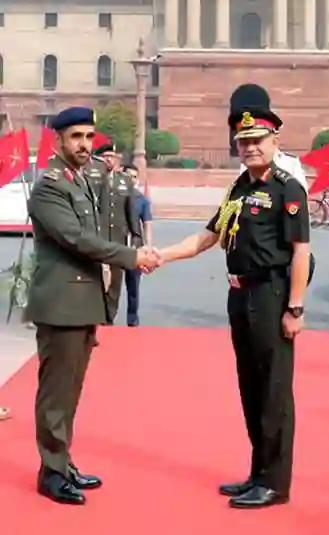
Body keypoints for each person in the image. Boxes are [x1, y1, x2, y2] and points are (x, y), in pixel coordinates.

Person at [158, 94, 311, 509]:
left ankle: (276, 483)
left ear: (275, 140)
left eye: (258, 139)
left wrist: (295, 308)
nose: (250, 147)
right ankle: (258, 473)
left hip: (271, 294)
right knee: (251, 388)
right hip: (240, 297)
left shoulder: (287, 189)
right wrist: (162, 255)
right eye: (243, 142)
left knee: (274, 391)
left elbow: (300, 252)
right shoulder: (239, 189)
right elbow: (209, 236)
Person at [25, 106, 160, 505]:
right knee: (55, 393)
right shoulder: (51, 185)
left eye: (88, 137)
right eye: (76, 137)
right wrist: (133, 257)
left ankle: (63, 463)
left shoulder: (80, 179)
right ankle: (51, 472)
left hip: (82, 303)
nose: (85, 145)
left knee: (71, 390)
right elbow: (77, 239)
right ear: (59, 141)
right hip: (62, 304)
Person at [91, 143, 140, 324]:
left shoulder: (125, 181)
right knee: (97, 283)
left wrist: (135, 240)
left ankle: (108, 320)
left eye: (112, 156)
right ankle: (95, 319)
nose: (109, 160)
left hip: (118, 242)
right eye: (105, 156)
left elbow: (132, 214)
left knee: (115, 284)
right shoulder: (93, 180)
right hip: (98, 240)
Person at [122, 164, 153, 327]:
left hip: (135, 246)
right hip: (116, 245)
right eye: (128, 176)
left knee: (133, 285)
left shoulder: (142, 200)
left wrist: (148, 246)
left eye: (134, 177)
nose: (131, 180)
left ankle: (132, 320)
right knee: (110, 287)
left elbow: (147, 223)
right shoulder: (114, 197)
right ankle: (105, 321)